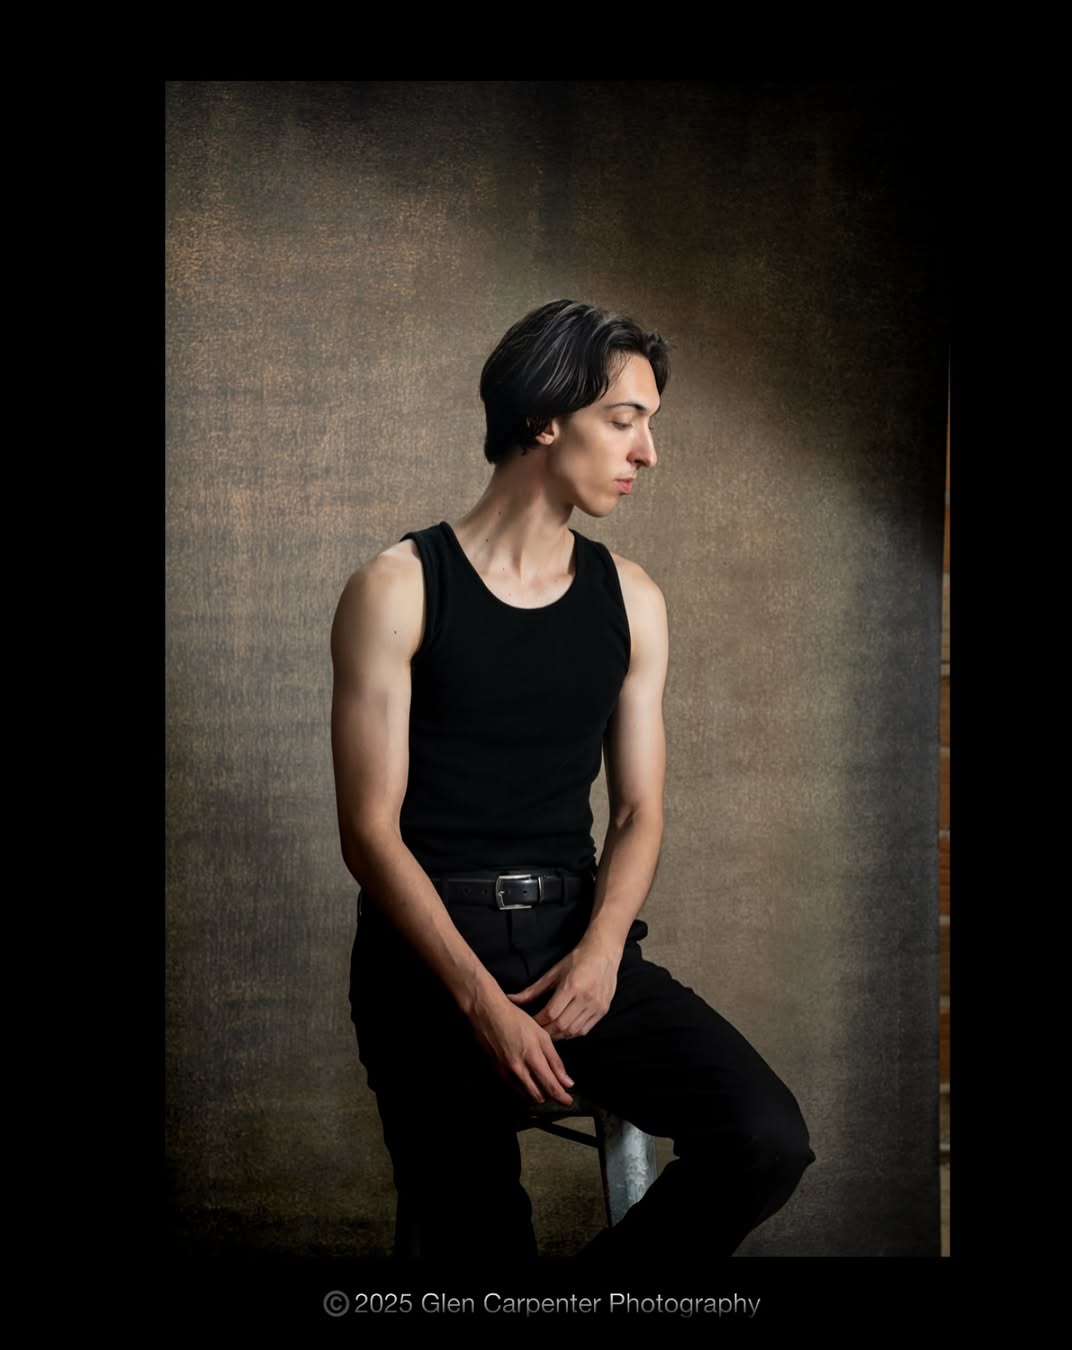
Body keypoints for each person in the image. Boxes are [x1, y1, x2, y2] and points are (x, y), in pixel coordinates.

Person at [331, 299, 814, 1264]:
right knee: (479, 1243)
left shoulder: (632, 598)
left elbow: (637, 811)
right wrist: (481, 1005)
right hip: (431, 967)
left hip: (576, 945)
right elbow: (369, 833)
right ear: (545, 418)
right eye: (625, 420)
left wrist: (599, 956)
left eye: (650, 424)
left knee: (765, 1140)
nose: (648, 453)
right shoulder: (398, 586)